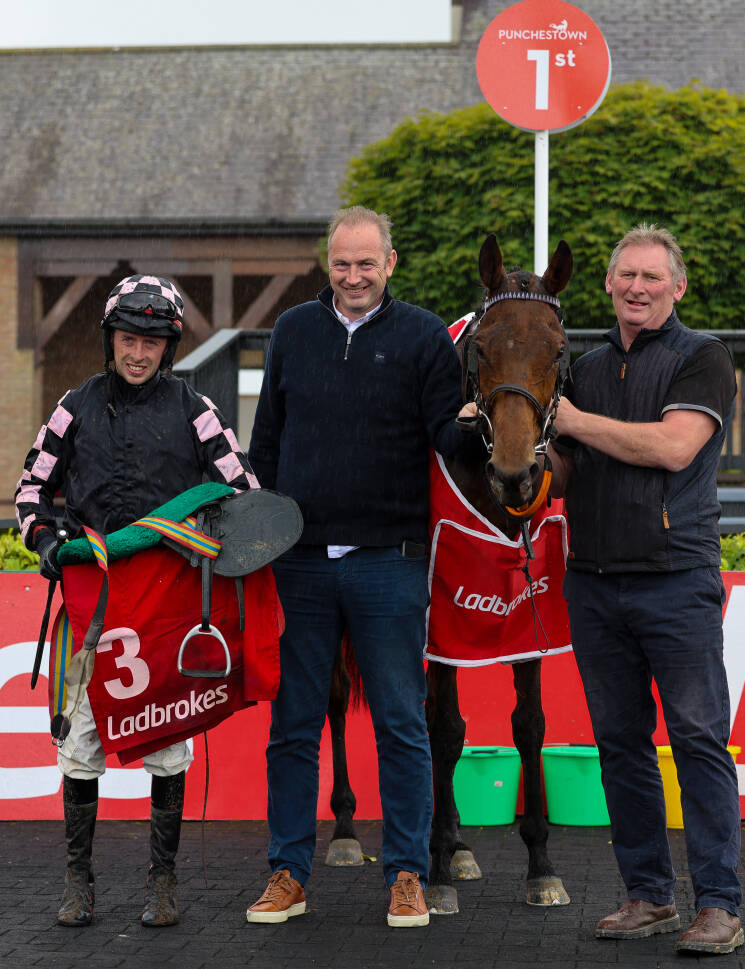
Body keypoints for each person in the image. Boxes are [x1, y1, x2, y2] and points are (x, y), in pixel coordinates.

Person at [246, 205, 473, 928]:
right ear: (328, 263)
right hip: (300, 564)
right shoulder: (291, 331)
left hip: (390, 562)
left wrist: (485, 422)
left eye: (366, 264)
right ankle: (287, 872)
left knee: (402, 724)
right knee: (293, 726)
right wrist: (254, 538)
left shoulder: (424, 336)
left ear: (390, 264)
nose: (353, 276)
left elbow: (447, 437)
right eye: (342, 263)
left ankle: (406, 874)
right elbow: (266, 443)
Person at [15, 275, 258, 929]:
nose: (138, 353)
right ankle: (79, 882)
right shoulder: (73, 405)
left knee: (168, 745)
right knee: (79, 745)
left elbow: (244, 490)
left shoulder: (196, 408)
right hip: (91, 605)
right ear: (111, 339)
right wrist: (45, 538)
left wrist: (203, 528)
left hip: (165, 609)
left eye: (151, 342)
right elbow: (31, 488)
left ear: (168, 347)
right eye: (128, 339)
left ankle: (163, 881)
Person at [549, 224, 744, 955]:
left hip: (677, 581)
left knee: (697, 740)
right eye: (626, 275)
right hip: (594, 584)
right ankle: (648, 896)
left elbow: (672, 447)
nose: (637, 287)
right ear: (607, 283)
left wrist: (569, 420)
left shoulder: (703, 357)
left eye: (652, 277)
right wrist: (514, 442)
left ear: (677, 287)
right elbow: (562, 473)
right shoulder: (585, 366)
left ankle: (719, 905)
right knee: (621, 744)